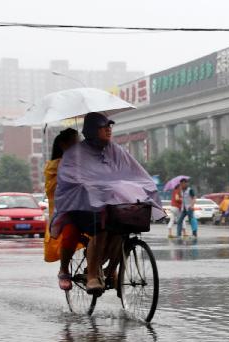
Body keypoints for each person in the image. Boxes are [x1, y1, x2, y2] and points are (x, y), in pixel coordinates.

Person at [51, 112, 162, 295]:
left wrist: (148, 187)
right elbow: (70, 179)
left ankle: (110, 269)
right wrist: (91, 188)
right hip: (82, 207)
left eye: (110, 126)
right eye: (104, 127)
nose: (109, 130)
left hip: (112, 205)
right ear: (92, 131)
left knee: (122, 229)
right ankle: (93, 275)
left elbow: (135, 173)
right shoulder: (74, 155)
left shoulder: (116, 150)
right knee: (101, 229)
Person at [42, 128, 80, 289]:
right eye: (74, 142)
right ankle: (64, 269)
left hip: (92, 204)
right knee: (71, 232)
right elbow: (55, 191)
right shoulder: (56, 166)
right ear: (63, 145)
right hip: (67, 209)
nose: (79, 145)